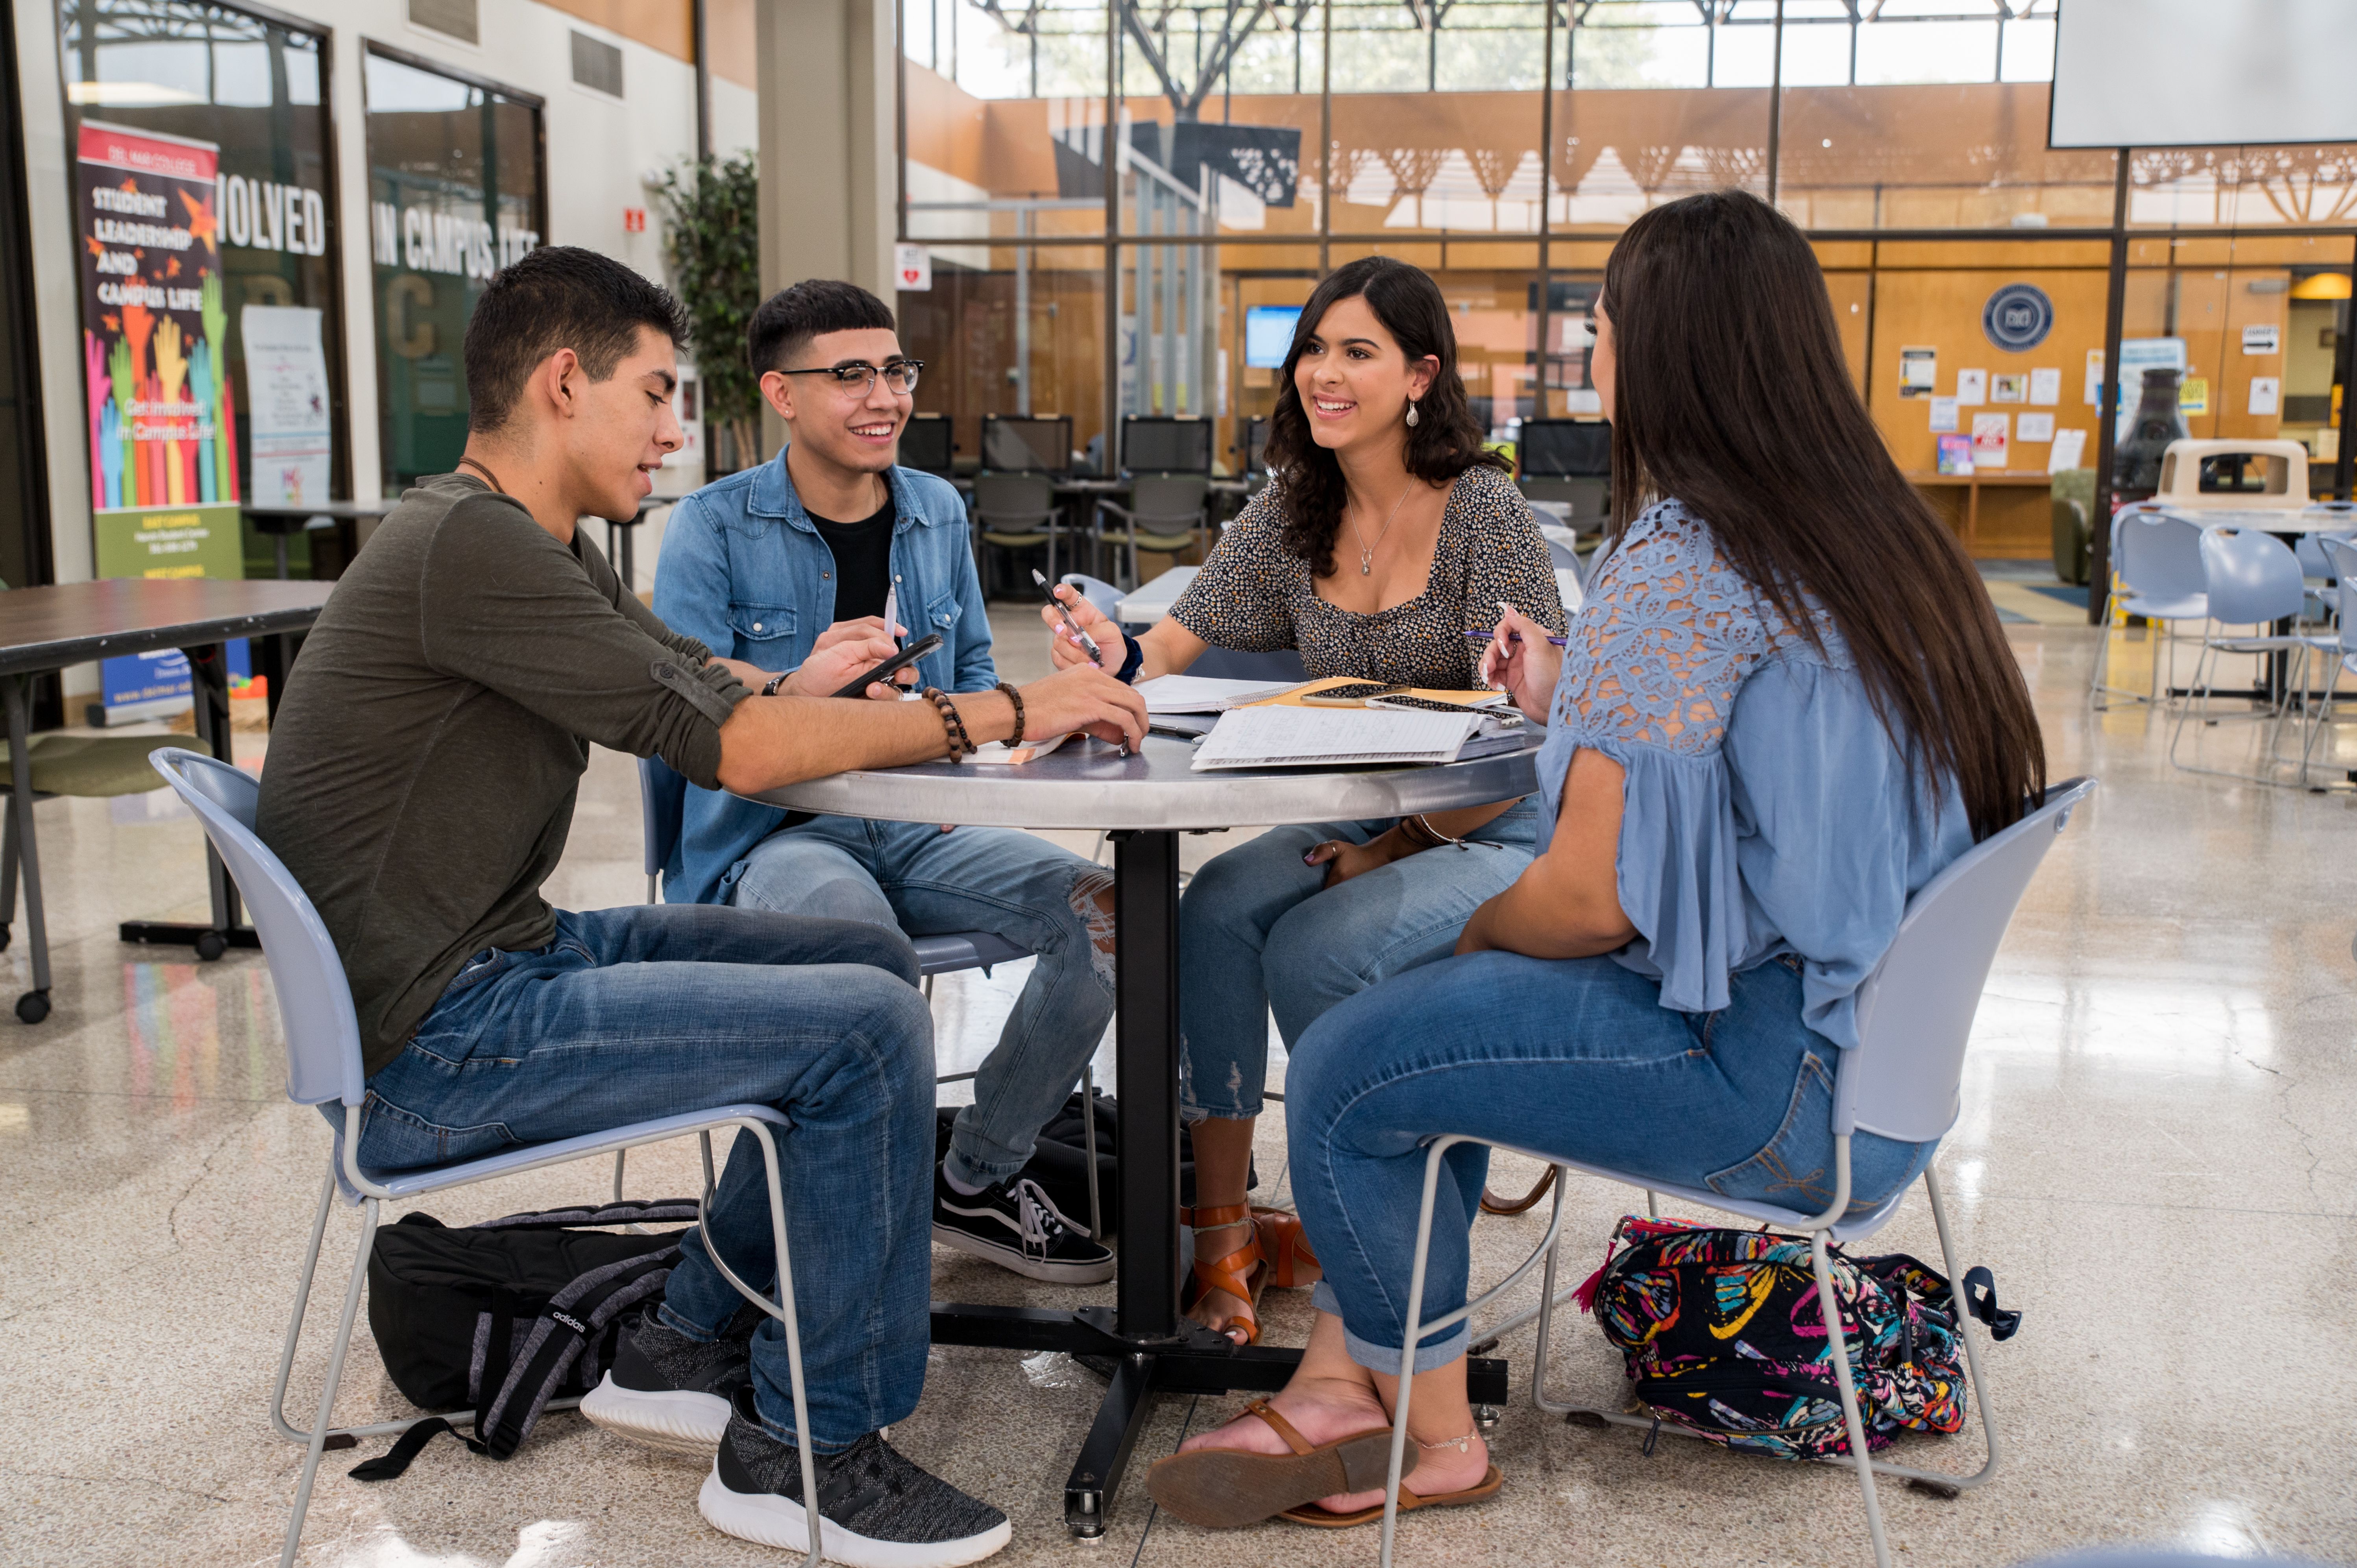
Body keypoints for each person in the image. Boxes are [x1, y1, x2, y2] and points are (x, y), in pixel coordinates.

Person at [1143, 190, 2048, 1529]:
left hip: (1768, 1078)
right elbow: (1749, 744)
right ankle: (1349, 1376)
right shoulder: (1878, 542)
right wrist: (1582, 691)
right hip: (1877, 1072)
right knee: (1425, 1044)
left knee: (1359, 1053)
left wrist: (1466, 938)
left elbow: (1584, 897)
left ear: (1669, 351)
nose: (1595, 355)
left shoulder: (1681, 557)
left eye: (1607, 326)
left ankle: (1428, 1430)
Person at [255, 246, 1146, 1567]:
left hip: (493, 966)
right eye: (658, 393)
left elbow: (696, 671)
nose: (678, 431)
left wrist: (812, 680)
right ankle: (801, 1452)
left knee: (854, 966)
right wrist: (1017, 706)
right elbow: (724, 745)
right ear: (565, 382)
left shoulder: (508, 536)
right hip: (440, 1039)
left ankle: (678, 1339)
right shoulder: (472, 548)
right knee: (860, 1030)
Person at [1040, 256, 1567, 1346]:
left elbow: (1531, 725)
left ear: (1419, 376)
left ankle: (1375, 1236)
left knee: (1309, 947)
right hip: (1363, 813)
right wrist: (1114, 650)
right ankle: (1221, 1233)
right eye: (1314, 350)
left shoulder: (1484, 510)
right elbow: (1176, 635)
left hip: (1491, 827)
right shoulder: (1295, 505)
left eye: (1355, 352)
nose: (1323, 373)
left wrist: (1400, 845)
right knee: (1218, 907)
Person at [654, 280, 1117, 1287]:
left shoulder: (935, 510)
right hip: (777, 834)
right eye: (850, 374)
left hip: (920, 822)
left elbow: (981, 680)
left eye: (895, 371)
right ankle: (854, 1206)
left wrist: (939, 707)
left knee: (1115, 916)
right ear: (781, 392)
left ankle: (975, 1174)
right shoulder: (713, 524)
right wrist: (795, 685)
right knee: (864, 962)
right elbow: (676, 682)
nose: (884, 396)